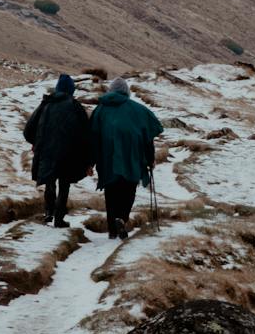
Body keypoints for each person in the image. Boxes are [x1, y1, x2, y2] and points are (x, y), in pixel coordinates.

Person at [90, 76, 163, 239]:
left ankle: (112, 230)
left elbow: (93, 137)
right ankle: (121, 218)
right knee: (128, 190)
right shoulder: (139, 110)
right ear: (126, 92)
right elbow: (148, 137)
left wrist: (90, 162)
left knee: (110, 192)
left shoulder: (100, 110)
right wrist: (150, 159)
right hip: (132, 159)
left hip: (108, 159)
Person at [22, 74, 92, 227]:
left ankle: (49, 212)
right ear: (71, 90)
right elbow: (86, 135)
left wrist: (37, 142)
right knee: (64, 184)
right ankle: (59, 219)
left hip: (47, 151)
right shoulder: (75, 107)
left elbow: (28, 130)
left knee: (50, 180)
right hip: (69, 153)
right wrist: (88, 160)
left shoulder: (46, 104)